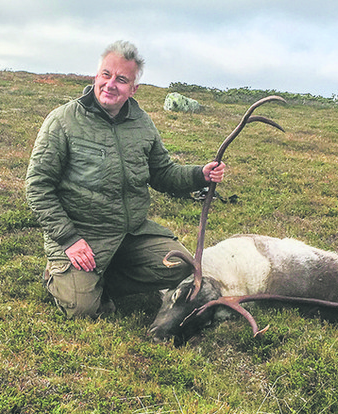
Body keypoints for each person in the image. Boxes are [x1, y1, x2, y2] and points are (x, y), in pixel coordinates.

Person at [26, 40, 225, 318]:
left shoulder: (142, 123)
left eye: (121, 79)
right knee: (83, 310)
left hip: (130, 233)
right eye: (106, 75)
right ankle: (60, 275)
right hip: (83, 233)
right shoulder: (62, 121)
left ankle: (100, 279)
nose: (110, 84)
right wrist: (69, 238)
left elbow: (162, 173)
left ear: (133, 89)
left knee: (181, 266)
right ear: (96, 76)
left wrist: (199, 175)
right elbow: (37, 186)